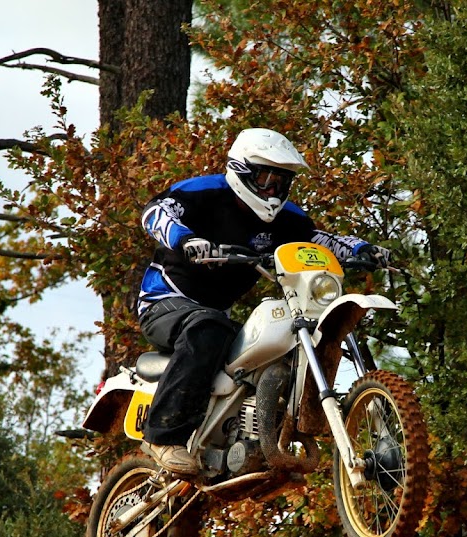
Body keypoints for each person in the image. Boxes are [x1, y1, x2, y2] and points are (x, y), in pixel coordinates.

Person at [136, 127, 390, 476]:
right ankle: (164, 438)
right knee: (208, 328)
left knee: (271, 341)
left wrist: (361, 249)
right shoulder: (203, 193)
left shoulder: (289, 220)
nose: (272, 190)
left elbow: (318, 240)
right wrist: (185, 238)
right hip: (165, 300)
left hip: (216, 313)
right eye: (265, 179)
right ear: (241, 171)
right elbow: (155, 212)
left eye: (281, 182)